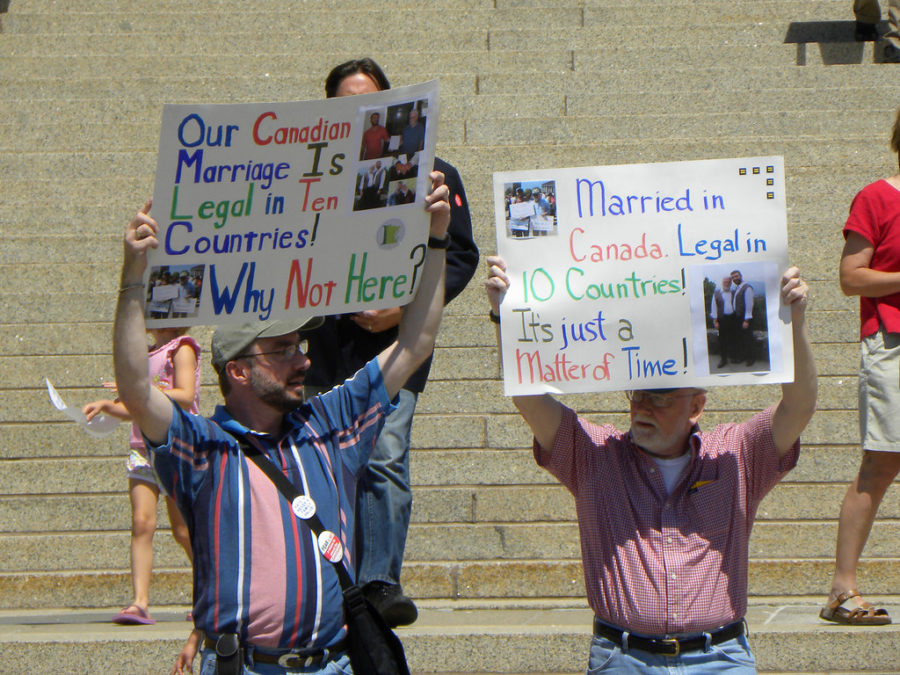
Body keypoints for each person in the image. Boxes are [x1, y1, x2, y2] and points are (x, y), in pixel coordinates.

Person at [114, 170, 449, 674]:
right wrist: (134, 276)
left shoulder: (329, 422)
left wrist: (437, 236)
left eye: (300, 346)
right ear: (239, 371)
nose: (303, 360)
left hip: (333, 665)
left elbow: (413, 345)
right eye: (282, 349)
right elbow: (137, 390)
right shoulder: (205, 447)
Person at [485, 255, 817, 672]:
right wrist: (506, 316)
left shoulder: (735, 454)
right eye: (637, 394)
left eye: (659, 397)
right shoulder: (594, 455)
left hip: (719, 656)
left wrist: (794, 321)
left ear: (696, 405)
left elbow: (799, 406)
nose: (642, 407)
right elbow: (528, 396)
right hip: (623, 657)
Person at [308, 57, 479, 628]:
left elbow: (459, 255)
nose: (360, 113)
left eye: (371, 102)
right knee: (324, 464)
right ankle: (330, 580)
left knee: (383, 455)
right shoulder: (308, 175)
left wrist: (402, 309)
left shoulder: (435, 175)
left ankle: (380, 580)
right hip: (322, 349)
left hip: (395, 348)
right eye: (346, 103)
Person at [820, 106, 900, 626]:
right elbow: (851, 277)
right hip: (892, 343)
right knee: (880, 464)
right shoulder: (877, 196)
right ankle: (841, 590)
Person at [82, 327, 199, 625]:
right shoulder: (143, 355)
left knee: (183, 530)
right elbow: (135, 405)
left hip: (176, 446)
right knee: (141, 523)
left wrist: (136, 393)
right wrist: (110, 406)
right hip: (142, 448)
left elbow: (185, 396)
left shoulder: (181, 348)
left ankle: (209, 594)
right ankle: (140, 602)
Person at [710, 276, 737, 368]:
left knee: (733, 339)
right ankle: (723, 360)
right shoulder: (716, 293)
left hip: (733, 319)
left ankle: (733, 357)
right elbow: (713, 308)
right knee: (722, 340)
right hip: (722, 319)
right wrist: (715, 321)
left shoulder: (733, 292)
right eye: (725, 282)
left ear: (731, 283)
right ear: (722, 282)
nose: (727, 283)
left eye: (729, 282)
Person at [730, 269, 756, 366]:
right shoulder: (737, 288)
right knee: (740, 339)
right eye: (733, 277)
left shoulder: (747, 287)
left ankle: (751, 359)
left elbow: (749, 305)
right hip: (738, 318)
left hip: (745, 318)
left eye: (736, 276)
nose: (734, 278)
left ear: (740, 276)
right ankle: (741, 357)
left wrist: (746, 320)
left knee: (748, 339)